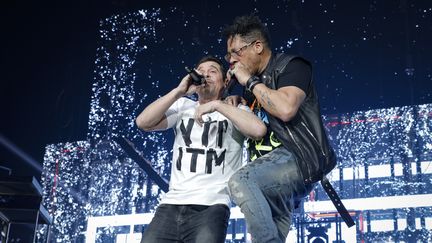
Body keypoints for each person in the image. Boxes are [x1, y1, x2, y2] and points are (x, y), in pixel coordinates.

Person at [223, 15, 337, 242]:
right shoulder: (251, 84)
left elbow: (285, 109)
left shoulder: (291, 66)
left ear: (257, 46)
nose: (232, 60)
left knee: (240, 181)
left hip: (297, 158)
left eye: (236, 52)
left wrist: (249, 82)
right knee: (270, 234)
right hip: (268, 172)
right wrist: (238, 101)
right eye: (229, 55)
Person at [135, 56, 266, 243]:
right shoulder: (183, 106)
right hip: (170, 205)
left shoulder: (233, 109)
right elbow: (143, 122)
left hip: (211, 207)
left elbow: (258, 130)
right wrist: (179, 91)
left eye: (212, 71)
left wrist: (217, 105)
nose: (205, 74)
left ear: (226, 81)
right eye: (201, 71)